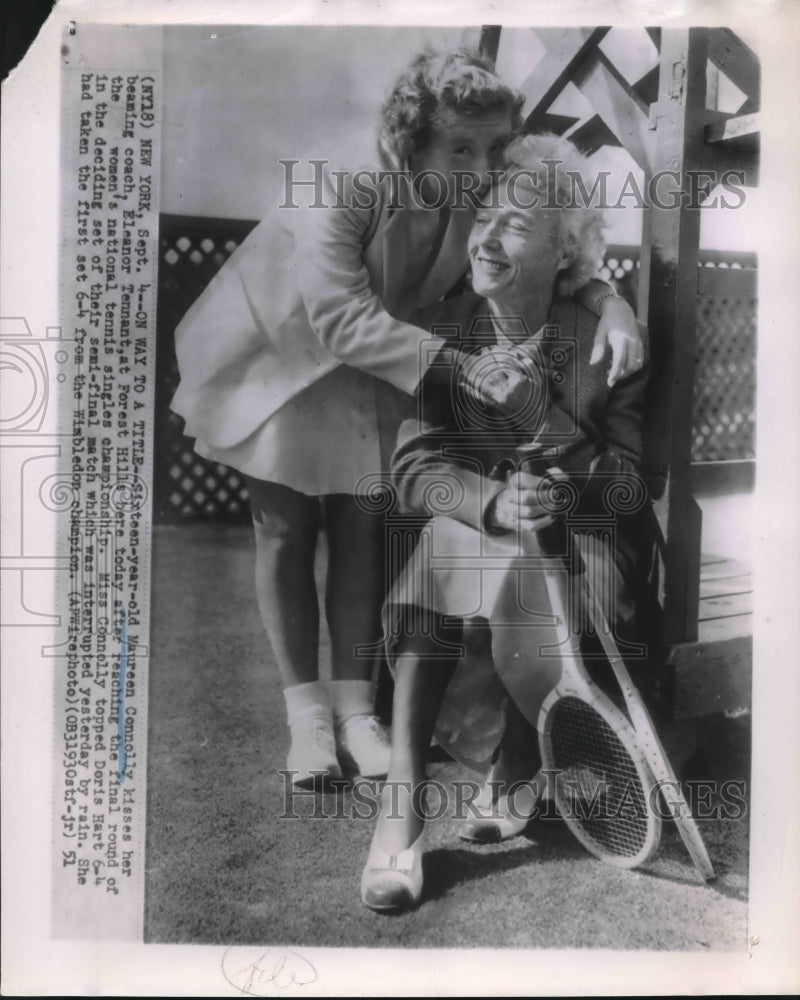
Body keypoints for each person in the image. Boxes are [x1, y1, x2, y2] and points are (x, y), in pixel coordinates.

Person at [171, 49, 645, 789]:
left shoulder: (475, 193)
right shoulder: (345, 182)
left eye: (492, 148)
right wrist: (466, 367)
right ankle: (308, 722)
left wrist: (610, 301)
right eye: (462, 147)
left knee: (363, 524)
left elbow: (558, 251)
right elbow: (339, 317)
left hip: (389, 356)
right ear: (408, 138)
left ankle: (359, 715)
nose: (483, 165)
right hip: (279, 356)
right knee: (288, 530)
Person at [360, 132, 653, 911]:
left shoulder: (605, 340)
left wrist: (548, 455)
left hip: (587, 552)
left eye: (515, 227)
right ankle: (405, 794)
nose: (486, 238)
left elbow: (629, 487)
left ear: (563, 255)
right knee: (451, 536)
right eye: (483, 217)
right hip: (478, 544)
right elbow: (415, 470)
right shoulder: (446, 329)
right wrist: (491, 501)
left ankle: (519, 763)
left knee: (494, 553)